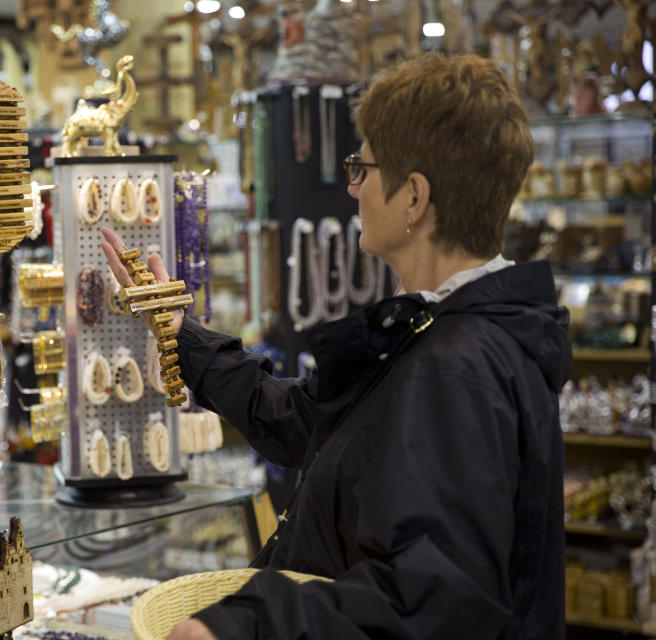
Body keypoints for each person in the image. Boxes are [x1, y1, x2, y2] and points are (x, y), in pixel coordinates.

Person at [102, 53, 569, 640]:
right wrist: (181, 335)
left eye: (363, 168)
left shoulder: (457, 368)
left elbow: (435, 602)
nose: (353, 188)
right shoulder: (435, 331)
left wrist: (245, 625)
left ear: (414, 198)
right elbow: (305, 420)